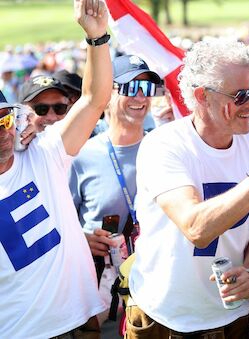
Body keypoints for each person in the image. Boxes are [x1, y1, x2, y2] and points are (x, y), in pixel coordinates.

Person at [126, 39, 249, 337]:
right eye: (240, 95)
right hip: (162, 320)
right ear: (202, 96)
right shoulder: (164, 145)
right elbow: (196, 228)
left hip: (228, 319)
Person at [0, 0, 112, 337]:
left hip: (80, 324)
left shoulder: (43, 154)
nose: (3, 131)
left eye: (4, 118)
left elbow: (93, 100)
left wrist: (97, 38)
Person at [68, 54, 162, 322]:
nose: (140, 98)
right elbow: (59, 223)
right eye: (130, 88)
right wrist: (83, 240)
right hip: (100, 294)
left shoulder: (164, 149)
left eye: (146, 89)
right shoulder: (80, 156)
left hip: (156, 289)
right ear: (108, 94)